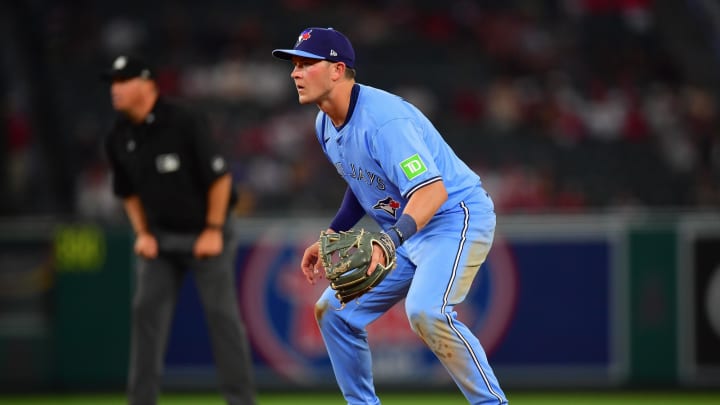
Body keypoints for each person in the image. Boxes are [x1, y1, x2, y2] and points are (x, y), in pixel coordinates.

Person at [272, 28, 508, 404]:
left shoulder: (384, 121)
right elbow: (362, 182)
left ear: (337, 70)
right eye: (294, 65)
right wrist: (331, 232)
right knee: (333, 312)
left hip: (453, 217)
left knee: (426, 311)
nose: (295, 73)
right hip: (408, 232)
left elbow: (432, 192)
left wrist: (390, 239)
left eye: (306, 64)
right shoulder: (324, 124)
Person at [102, 55, 256, 405]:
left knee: (222, 316)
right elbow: (127, 192)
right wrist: (142, 233)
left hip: (208, 231)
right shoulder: (118, 135)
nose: (115, 89)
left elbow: (219, 178)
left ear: (146, 84)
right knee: (145, 311)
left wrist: (214, 229)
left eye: (122, 81)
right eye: (112, 82)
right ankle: (140, 401)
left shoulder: (185, 120)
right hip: (161, 237)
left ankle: (241, 401)